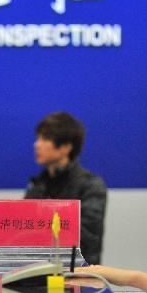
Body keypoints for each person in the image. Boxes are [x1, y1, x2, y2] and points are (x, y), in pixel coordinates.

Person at [24, 111, 107, 264]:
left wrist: (42, 222)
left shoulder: (91, 186)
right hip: (35, 273)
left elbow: (87, 240)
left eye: (45, 139)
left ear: (66, 147)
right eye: (37, 138)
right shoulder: (37, 186)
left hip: (80, 276)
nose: (37, 145)